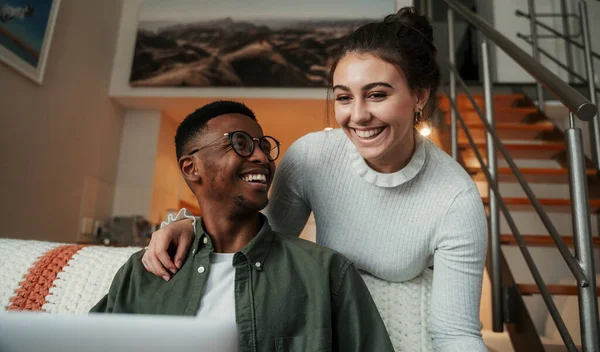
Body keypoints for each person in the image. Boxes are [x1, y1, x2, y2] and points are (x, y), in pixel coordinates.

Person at [143, 7, 488, 351]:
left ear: (420, 96)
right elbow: (261, 244)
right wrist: (191, 226)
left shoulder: (455, 198)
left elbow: (456, 334)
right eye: (343, 97)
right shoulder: (312, 156)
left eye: (378, 94)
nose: (358, 115)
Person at [90, 101, 394, 352]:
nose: (261, 156)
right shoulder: (144, 271)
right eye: (240, 143)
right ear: (191, 167)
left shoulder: (326, 272)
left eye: (263, 145)